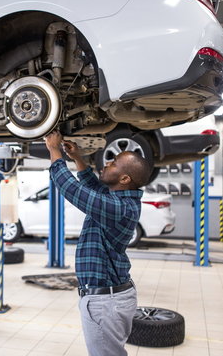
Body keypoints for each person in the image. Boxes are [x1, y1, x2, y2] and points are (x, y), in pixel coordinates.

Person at [44, 130, 151, 356]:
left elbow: (71, 189)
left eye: (113, 163)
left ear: (125, 179)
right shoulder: (121, 199)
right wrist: (78, 159)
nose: (107, 163)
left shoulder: (117, 208)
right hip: (110, 297)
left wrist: (54, 150)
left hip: (106, 302)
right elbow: (95, 188)